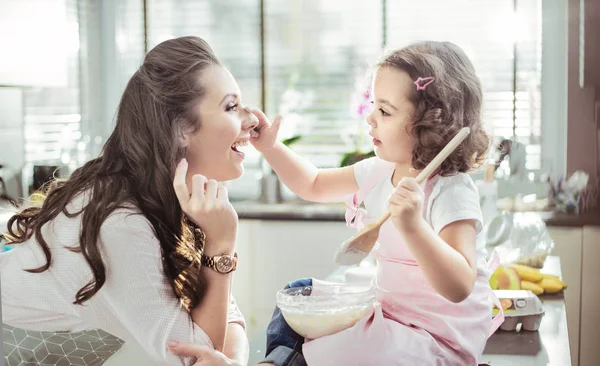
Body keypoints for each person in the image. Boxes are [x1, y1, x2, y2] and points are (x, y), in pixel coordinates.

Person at [1, 36, 256, 366]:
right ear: (180, 129)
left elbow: (229, 320)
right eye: (231, 106)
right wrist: (221, 245)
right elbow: (193, 355)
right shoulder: (119, 223)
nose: (252, 119)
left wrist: (230, 363)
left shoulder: (171, 197)